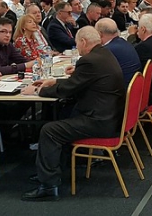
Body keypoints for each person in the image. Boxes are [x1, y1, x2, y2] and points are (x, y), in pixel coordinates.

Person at [22, 27, 125, 202]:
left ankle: (49, 186)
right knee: (62, 118)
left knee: (50, 130)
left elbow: (69, 89)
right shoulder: (104, 54)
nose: (76, 47)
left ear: (83, 42)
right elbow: (80, 82)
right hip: (110, 116)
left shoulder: (90, 60)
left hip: (99, 121)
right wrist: (54, 81)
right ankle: (51, 171)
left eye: (77, 43)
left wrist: (38, 91)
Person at [95, 19, 142, 87]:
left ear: (99, 34)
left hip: (123, 89)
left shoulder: (107, 50)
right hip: (135, 86)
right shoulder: (124, 42)